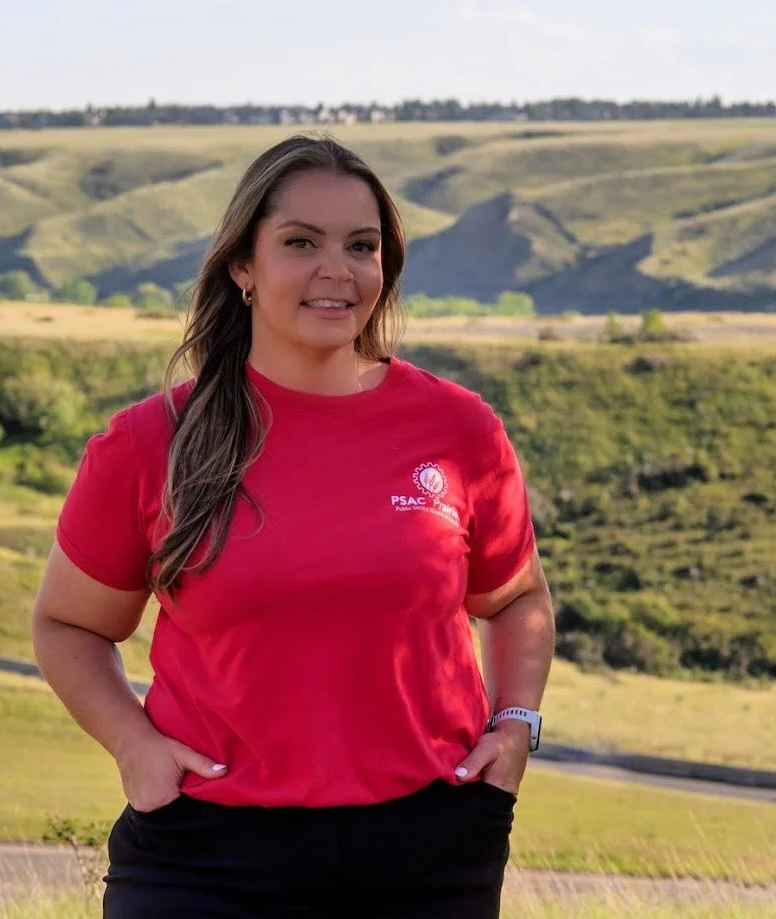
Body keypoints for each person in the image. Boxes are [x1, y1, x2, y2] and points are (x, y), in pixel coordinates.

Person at [31, 134, 555, 918]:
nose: (335, 269)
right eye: (299, 243)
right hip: (206, 853)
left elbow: (516, 599)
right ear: (243, 266)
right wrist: (135, 747)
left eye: (361, 245)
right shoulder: (151, 441)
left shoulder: (458, 430)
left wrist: (515, 726)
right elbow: (68, 623)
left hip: (426, 845)